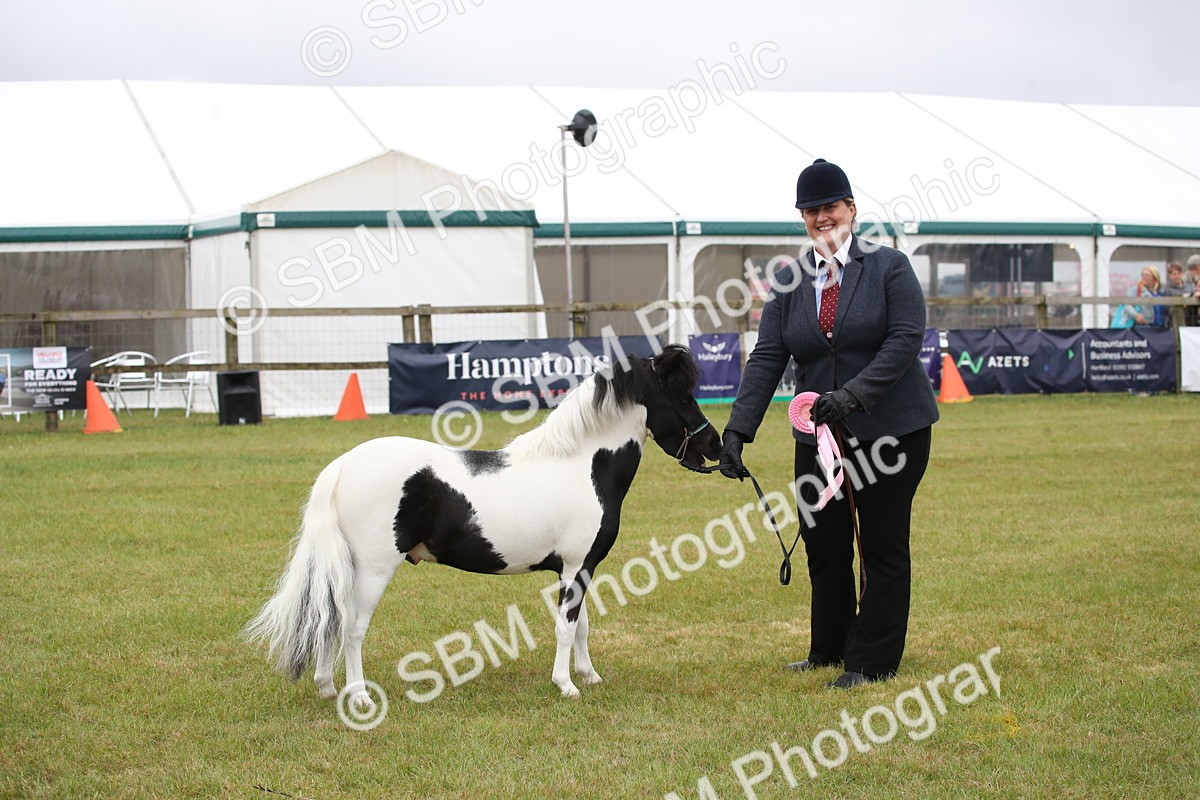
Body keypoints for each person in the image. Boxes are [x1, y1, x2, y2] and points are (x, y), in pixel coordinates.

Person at [718, 158, 939, 689]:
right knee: (824, 541)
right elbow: (769, 354)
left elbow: (906, 339)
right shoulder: (790, 280)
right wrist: (737, 430)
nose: (822, 217)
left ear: (851, 210)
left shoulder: (890, 267)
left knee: (881, 545)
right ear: (802, 217)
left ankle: (872, 659)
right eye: (811, 210)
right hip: (818, 435)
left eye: (830, 207)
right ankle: (830, 647)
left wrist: (854, 396)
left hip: (892, 430)